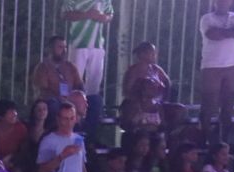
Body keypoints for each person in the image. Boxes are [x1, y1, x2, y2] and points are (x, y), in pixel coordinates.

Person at [200, 0, 234, 142]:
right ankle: (204, 139)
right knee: (208, 105)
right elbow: (212, 35)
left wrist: (225, 32)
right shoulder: (207, 18)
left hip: (232, 65)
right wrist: (232, 31)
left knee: (228, 106)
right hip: (211, 65)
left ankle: (224, 141)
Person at [61, 0, 112, 128]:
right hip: (78, 44)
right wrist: (87, 15)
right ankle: (71, 115)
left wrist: (102, 18)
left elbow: (109, 15)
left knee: (94, 86)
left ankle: (89, 118)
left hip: (97, 45)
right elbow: (65, 14)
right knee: (72, 82)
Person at [120, 41, 169, 131]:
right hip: (138, 104)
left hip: (157, 104)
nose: (155, 55)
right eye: (152, 52)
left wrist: (157, 100)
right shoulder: (134, 71)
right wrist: (143, 100)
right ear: (142, 54)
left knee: (178, 110)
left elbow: (167, 84)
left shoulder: (156, 69)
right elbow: (126, 91)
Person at [31, 35, 82, 103]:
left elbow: (80, 86)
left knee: (95, 100)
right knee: (52, 103)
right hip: (53, 102)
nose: (64, 51)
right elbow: (42, 92)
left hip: (71, 102)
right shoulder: (42, 68)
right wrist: (60, 98)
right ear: (51, 49)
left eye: (65, 47)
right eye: (60, 47)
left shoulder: (71, 66)